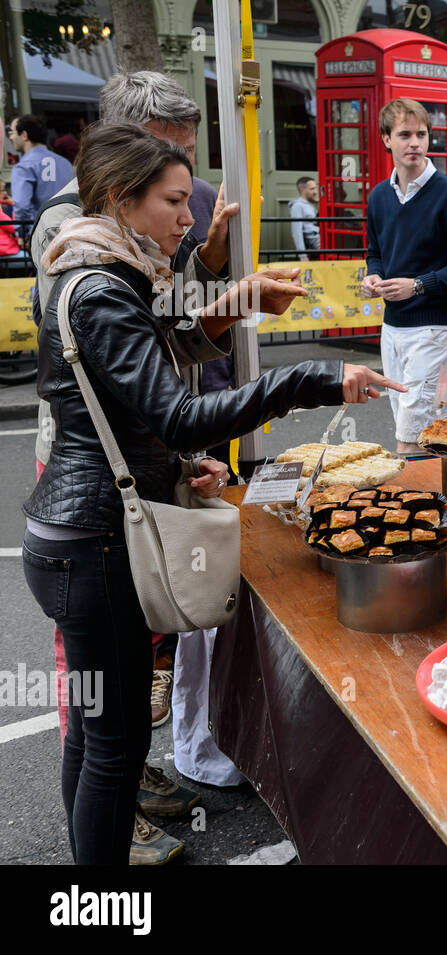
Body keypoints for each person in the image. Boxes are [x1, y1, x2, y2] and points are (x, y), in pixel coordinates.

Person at [22, 123, 401, 865]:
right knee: (116, 746)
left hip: (80, 536)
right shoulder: (102, 289)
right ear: (120, 201)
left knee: (97, 733)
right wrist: (312, 378)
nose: (187, 217)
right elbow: (177, 410)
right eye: (171, 201)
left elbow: (129, 403)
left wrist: (171, 460)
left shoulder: (105, 270)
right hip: (94, 546)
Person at [29, 71, 242, 865]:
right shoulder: (83, 241)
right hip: (96, 488)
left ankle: (113, 805)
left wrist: (212, 271)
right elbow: (135, 367)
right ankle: (107, 839)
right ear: (123, 182)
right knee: (96, 710)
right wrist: (310, 379)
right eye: (174, 177)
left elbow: (171, 334)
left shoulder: (132, 237)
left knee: (106, 715)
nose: (188, 210)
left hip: (114, 481)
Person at [363, 98, 447, 454]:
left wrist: (416, 285)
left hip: (439, 330)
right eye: (404, 134)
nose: (414, 142)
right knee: (426, 425)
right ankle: (441, 499)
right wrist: (373, 277)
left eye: (421, 134)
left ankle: (411, 497)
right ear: (386, 139)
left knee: (413, 431)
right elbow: (376, 253)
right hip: (393, 328)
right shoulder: (378, 197)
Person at [7, 115, 75, 242]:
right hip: (70, 232)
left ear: (24, 135)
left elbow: (22, 206)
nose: (10, 137)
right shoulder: (65, 163)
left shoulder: (23, 167)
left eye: (12, 132)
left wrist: (22, 234)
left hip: (42, 236)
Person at [289, 175, 320, 261]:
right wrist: (302, 255)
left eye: (315, 188)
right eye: (312, 189)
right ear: (302, 190)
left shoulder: (310, 205)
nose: (315, 192)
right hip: (315, 244)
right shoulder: (297, 206)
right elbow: (297, 231)